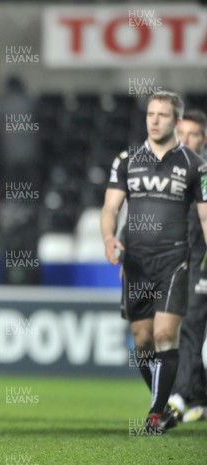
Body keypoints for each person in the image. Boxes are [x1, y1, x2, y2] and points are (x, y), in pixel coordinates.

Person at [100, 91, 207, 434]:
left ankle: (155, 415)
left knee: (165, 334)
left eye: (162, 114)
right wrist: (109, 238)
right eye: (150, 114)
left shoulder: (194, 165)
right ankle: (165, 403)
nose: (155, 120)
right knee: (143, 341)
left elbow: (205, 217)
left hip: (175, 260)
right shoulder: (126, 160)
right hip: (136, 263)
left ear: (176, 121)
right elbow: (111, 208)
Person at [168, 109, 207, 423]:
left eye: (193, 134)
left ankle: (181, 396)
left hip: (202, 259)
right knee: (175, 327)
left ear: (203, 139)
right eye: (183, 134)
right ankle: (196, 396)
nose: (186, 140)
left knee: (192, 323)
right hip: (177, 259)